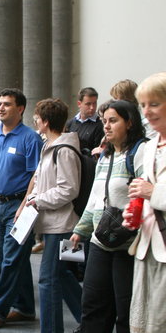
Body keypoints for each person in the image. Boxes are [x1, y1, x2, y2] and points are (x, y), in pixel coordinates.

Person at [71, 100, 146, 333]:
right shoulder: (105, 156)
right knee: (93, 307)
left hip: (129, 245)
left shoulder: (141, 151)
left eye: (113, 121)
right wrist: (80, 230)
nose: (106, 126)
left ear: (130, 122)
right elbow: (95, 198)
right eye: (104, 121)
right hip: (100, 240)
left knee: (125, 311)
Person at [0, 88, 43, 329]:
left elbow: (36, 176)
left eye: (7, 104)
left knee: (12, 259)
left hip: (20, 206)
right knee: (6, 257)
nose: (1, 108)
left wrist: (24, 205)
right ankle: (24, 307)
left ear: (20, 109)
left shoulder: (30, 138)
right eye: (0, 103)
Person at [25, 98, 83, 332]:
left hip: (63, 228)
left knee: (48, 280)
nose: (35, 120)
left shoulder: (63, 150)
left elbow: (69, 189)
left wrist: (38, 200)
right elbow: (41, 180)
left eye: (37, 117)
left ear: (46, 122)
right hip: (60, 225)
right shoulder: (49, 146)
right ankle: (89, 319)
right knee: (63, 274)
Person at [123, 72, 166, 333]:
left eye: (155, 103)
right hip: (147, 245)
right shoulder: (149, 147)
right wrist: (135, 213)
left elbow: (152, 190)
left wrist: (153, 193)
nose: (147, 111)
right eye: (143, 105)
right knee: (144, 321)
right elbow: (145, 192)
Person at [66, 87, 104, 156]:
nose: (92, 107)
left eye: (94, 103)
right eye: (88, 104)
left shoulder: (101, 125)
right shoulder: (70, 124)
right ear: (79, 104)